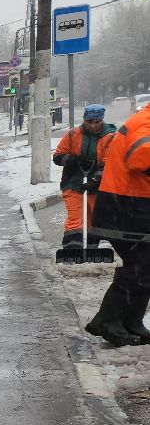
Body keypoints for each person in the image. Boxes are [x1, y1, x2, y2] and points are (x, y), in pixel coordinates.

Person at [84, 106, 150, 346]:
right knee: (141, 265)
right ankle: (108, 321)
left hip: (133, 208)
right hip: (124, 209)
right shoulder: (145, 122)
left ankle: (130, 321)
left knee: (144, 266)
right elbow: (141, 155)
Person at [54, 105, 117, 256]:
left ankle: (91, 250)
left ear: (101, 120)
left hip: (97, 186)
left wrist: (95, 180)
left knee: (93, 219)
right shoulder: (73, 135)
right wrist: (71, 160)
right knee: (75, 217)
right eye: (90, 121)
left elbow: (109, 162)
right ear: (84, 120)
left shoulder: (110, 137)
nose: (93, 125)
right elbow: (58, 156)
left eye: (97, 121)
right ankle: (72, 249)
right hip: (72, 183)